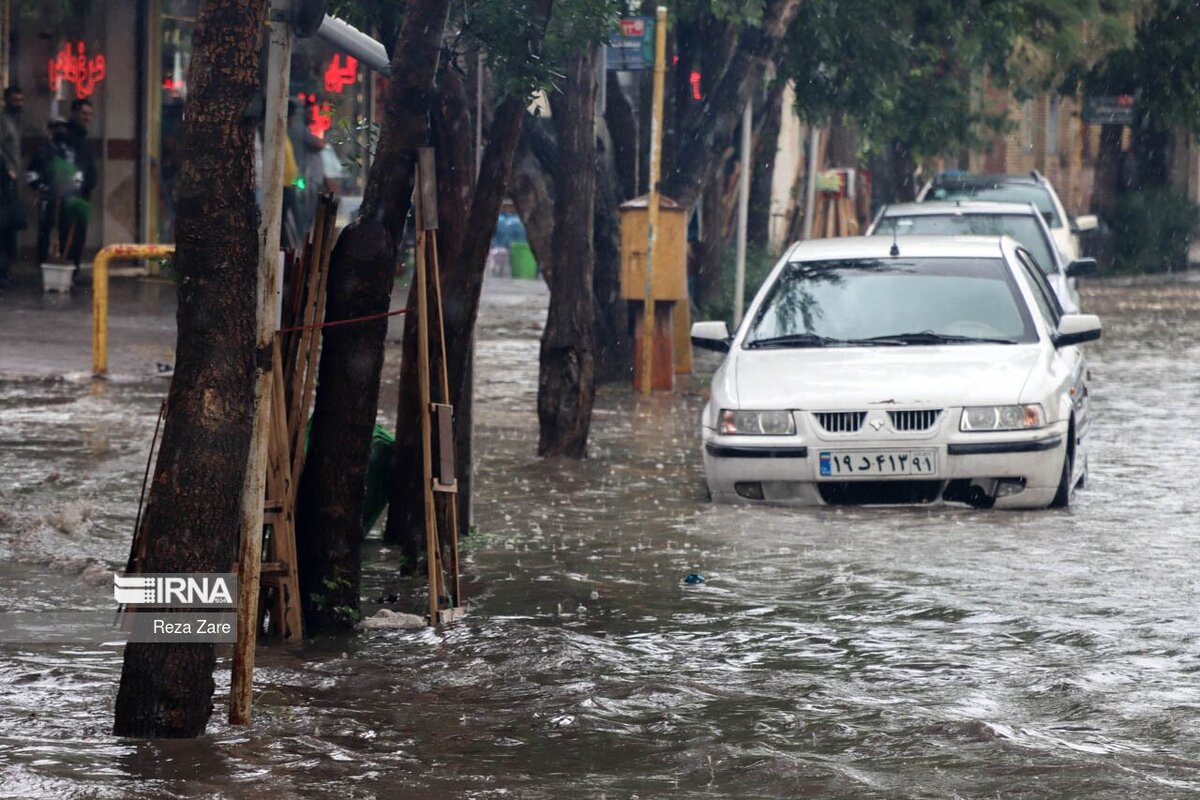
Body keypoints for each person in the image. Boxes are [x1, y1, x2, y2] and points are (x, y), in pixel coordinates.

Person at [26, 119, 84, 271]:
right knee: (45, 232)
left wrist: (75, 187)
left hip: (67, 198)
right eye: (57, 128)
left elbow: (78, 172)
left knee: (66, 232)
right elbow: (31, 174)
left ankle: (65, 266)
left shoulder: (70, 151)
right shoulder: (43, 151)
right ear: (51, 130)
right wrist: (42, 186)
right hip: (48, 198)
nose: (61, 131)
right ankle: (42, 266)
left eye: (63, 128)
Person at [63, 98, 96, 279]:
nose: (87, 118)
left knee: (78, 235)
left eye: (89, 114)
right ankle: (68, 272)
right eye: (84, 113)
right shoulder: (70, 137)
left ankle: (72, 272)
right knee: (71, 234)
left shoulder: (81, 136)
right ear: (74, 113)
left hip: (82, 193)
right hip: (74, 194)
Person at [0, 85, 24, 290]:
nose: (19, 104)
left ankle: (6, 271)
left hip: (11, 180)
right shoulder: (3, 121)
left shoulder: (14, 122)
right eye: (15, 101)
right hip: (4, 180)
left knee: (9, 228)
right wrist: (7, 168)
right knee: (5, 227)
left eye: (21, 100)